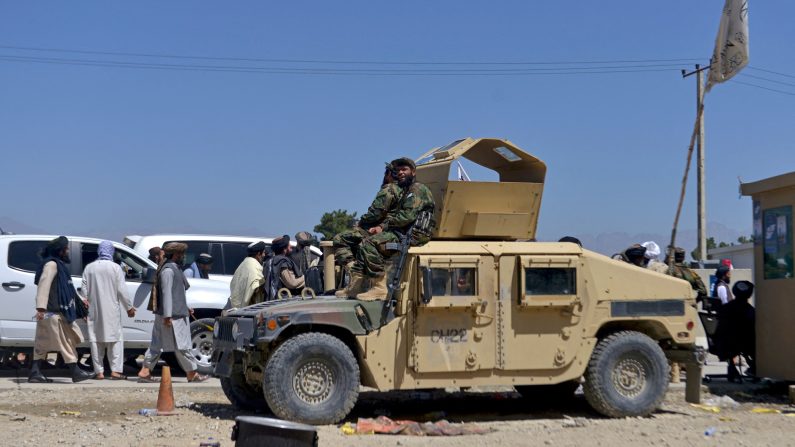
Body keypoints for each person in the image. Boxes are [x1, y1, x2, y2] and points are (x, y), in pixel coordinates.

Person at [353, 157, 436, 300]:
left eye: (404, 169)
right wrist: (380, 227)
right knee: (364, 241)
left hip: (416, 235)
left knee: (370, 244)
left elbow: (406, 216)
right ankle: (357, 286)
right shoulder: (405, 191)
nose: (401, 173)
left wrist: (383, 227)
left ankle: (379, 288)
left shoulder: (418, 189)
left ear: (413, 172)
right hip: (403, 232)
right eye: (398, 170)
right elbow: (398, 216)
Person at [137, 242, 208, 383]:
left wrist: (185, 307)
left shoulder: (173, 268)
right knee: (182, 346)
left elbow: (176, 293)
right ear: (176, 254)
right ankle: (192, 373)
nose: (183, 257)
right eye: (182, 254)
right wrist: (168, 316)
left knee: (156, 345)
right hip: (172, 316)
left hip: (168, 313)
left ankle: (145, 371)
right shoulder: (169, 270)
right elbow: (167, 294)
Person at [29, 236, 95, 383]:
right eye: (66, 249)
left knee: (41, 343)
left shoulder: (58, 265)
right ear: (60, 251)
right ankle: (76, 372)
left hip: (51, 312)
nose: (67, 251)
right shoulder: (52, 265)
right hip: (52, 312)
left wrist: (79, 303)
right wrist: (40, 308)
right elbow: (44, 285)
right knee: (66, 342)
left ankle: (35, 373)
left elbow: (68, 289)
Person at [333, 162, 401, 296]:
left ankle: (357, 277)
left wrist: (361, 223)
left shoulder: (389, 189)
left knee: (340, 239)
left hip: (381, 230)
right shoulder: (405, 190)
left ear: (388, 175)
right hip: (390, 229)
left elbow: (375, 213)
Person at [81, 241, 135, 380]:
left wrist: (84, 308)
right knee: (115, 340)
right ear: (110, 251)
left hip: (94, 311)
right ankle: (115, 371)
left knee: (95, 340)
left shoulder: (89, 268)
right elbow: (122, 290)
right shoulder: (115, 268)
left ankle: (99, 372)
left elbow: (84, 292)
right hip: (112, 310)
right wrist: (129, 308)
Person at [714, 280, 756, 382]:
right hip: (741, 344)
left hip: (722, 343)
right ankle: (754, 368)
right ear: (749, 295)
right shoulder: (750, 311)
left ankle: (734, 368)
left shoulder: (724, 309)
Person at [229, 241, 266, 308]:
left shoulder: (244, 263)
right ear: (258, 254)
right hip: (248, 308)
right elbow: (256, 287)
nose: (264, 255)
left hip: (236, 306)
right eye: (263, 253)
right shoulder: (255, 266)